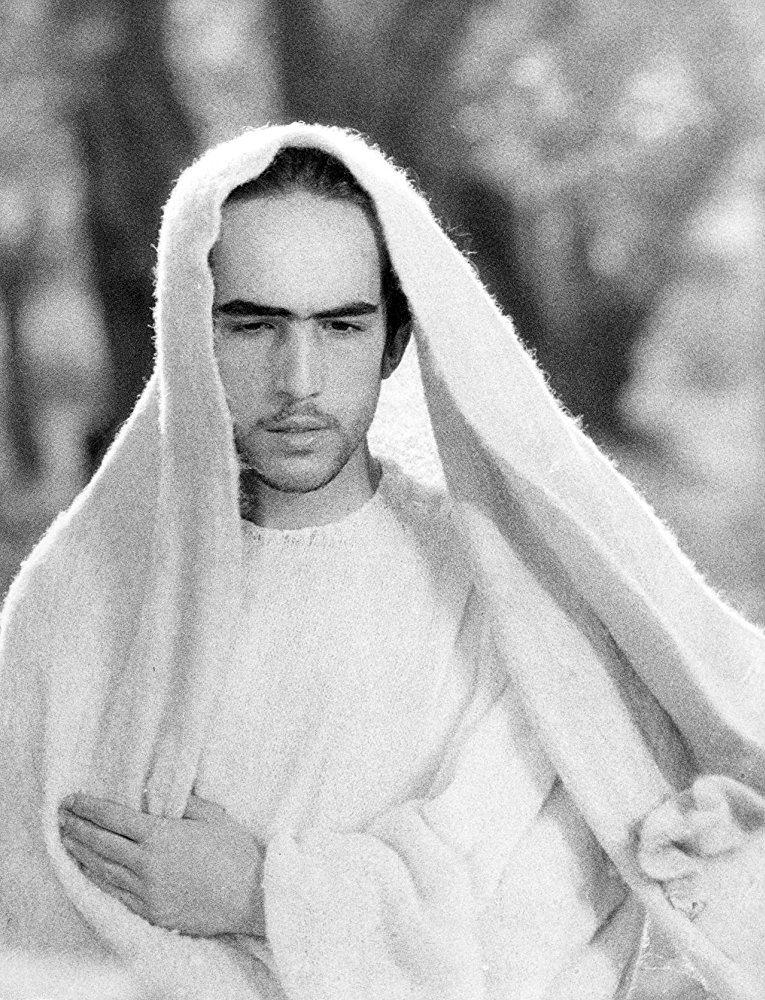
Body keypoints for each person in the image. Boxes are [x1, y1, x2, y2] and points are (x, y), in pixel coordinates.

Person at [0, 124, 763, 1000]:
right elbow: (36, 934)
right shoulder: (80, 605)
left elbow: (528, 945)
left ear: (395, 341)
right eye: (252, 325)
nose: (298, 379)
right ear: (188, 335)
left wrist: (262, 896)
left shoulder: (502, 603)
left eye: (340, 326)